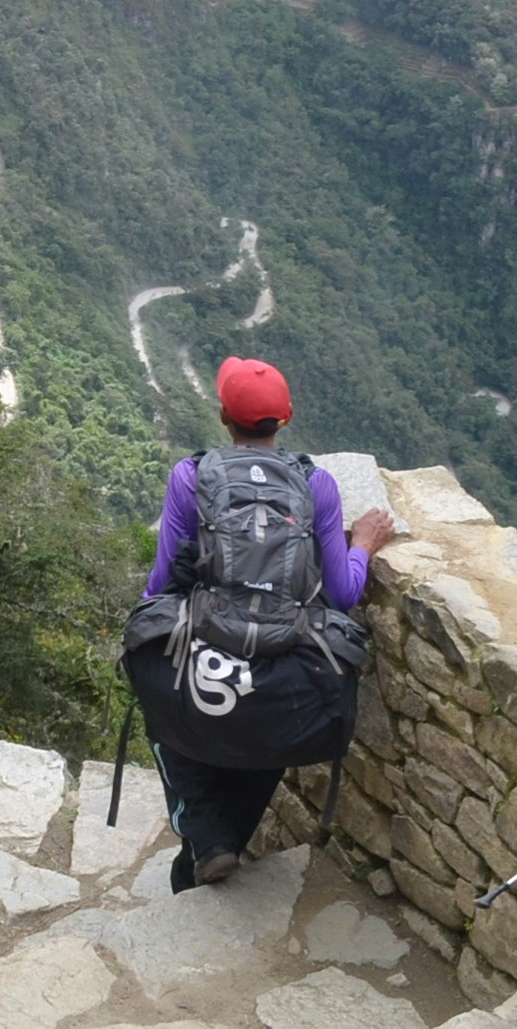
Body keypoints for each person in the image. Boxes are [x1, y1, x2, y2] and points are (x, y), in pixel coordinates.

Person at [134, 357, 397, 889]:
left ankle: (207, 842)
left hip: (205, 650)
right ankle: (218, 846)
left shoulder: (193, 476)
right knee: (269, 729)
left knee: (163, 703)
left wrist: (147, 625)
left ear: (223, 415)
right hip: (280, 666)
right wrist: (363, 546)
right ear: (287, 419)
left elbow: (161, 582)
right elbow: (343, 596)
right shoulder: (315, 486)